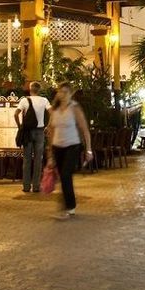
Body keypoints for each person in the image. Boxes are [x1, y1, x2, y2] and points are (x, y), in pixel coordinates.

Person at [44, 82, 93, 219]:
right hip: (57, 147)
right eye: (61, 92)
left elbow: (85, 130)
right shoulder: (54, 110)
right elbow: (51, 131)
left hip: (72, 146)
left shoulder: (75, 108)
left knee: (65, 174)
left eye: (66, 92)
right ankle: (68, 205)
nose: (63, 95)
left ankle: (69, 207)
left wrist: (89, 150)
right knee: (63, 177)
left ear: (71, 94)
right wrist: (50, 154)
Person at [14, 81, 51, 194]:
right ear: (39, 90)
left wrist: (20, 126)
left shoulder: (24, 100)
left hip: (28, 132)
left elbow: (16, 114)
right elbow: (52, 112)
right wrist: (48, 126)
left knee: (27, 159)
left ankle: (26, 186)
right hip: (40, 131)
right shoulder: (44, 100)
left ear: (30, 89)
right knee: (38, 160)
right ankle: (36, 186)